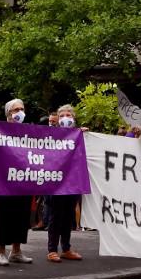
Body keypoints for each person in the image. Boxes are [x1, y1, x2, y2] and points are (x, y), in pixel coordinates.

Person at [0, 99, 34, 266]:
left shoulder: (29, 131)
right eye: (16, 109)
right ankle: (0, 251)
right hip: (5, 181)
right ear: (8, 113)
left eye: (22, 109)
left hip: (24, 180)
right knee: (5, 216)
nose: (20, 112)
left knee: (22, 216)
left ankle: (16, 251)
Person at [47, 104, 83, 263]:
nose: (65, 118)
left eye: (68, 115)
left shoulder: (79, 135)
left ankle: (66, 248)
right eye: (61, 116)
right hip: (56, 182)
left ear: (73, 118)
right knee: (56, 216)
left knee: (68, 216)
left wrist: (84, 135)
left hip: (73, 181)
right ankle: (52, 250)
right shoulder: (50, 135)